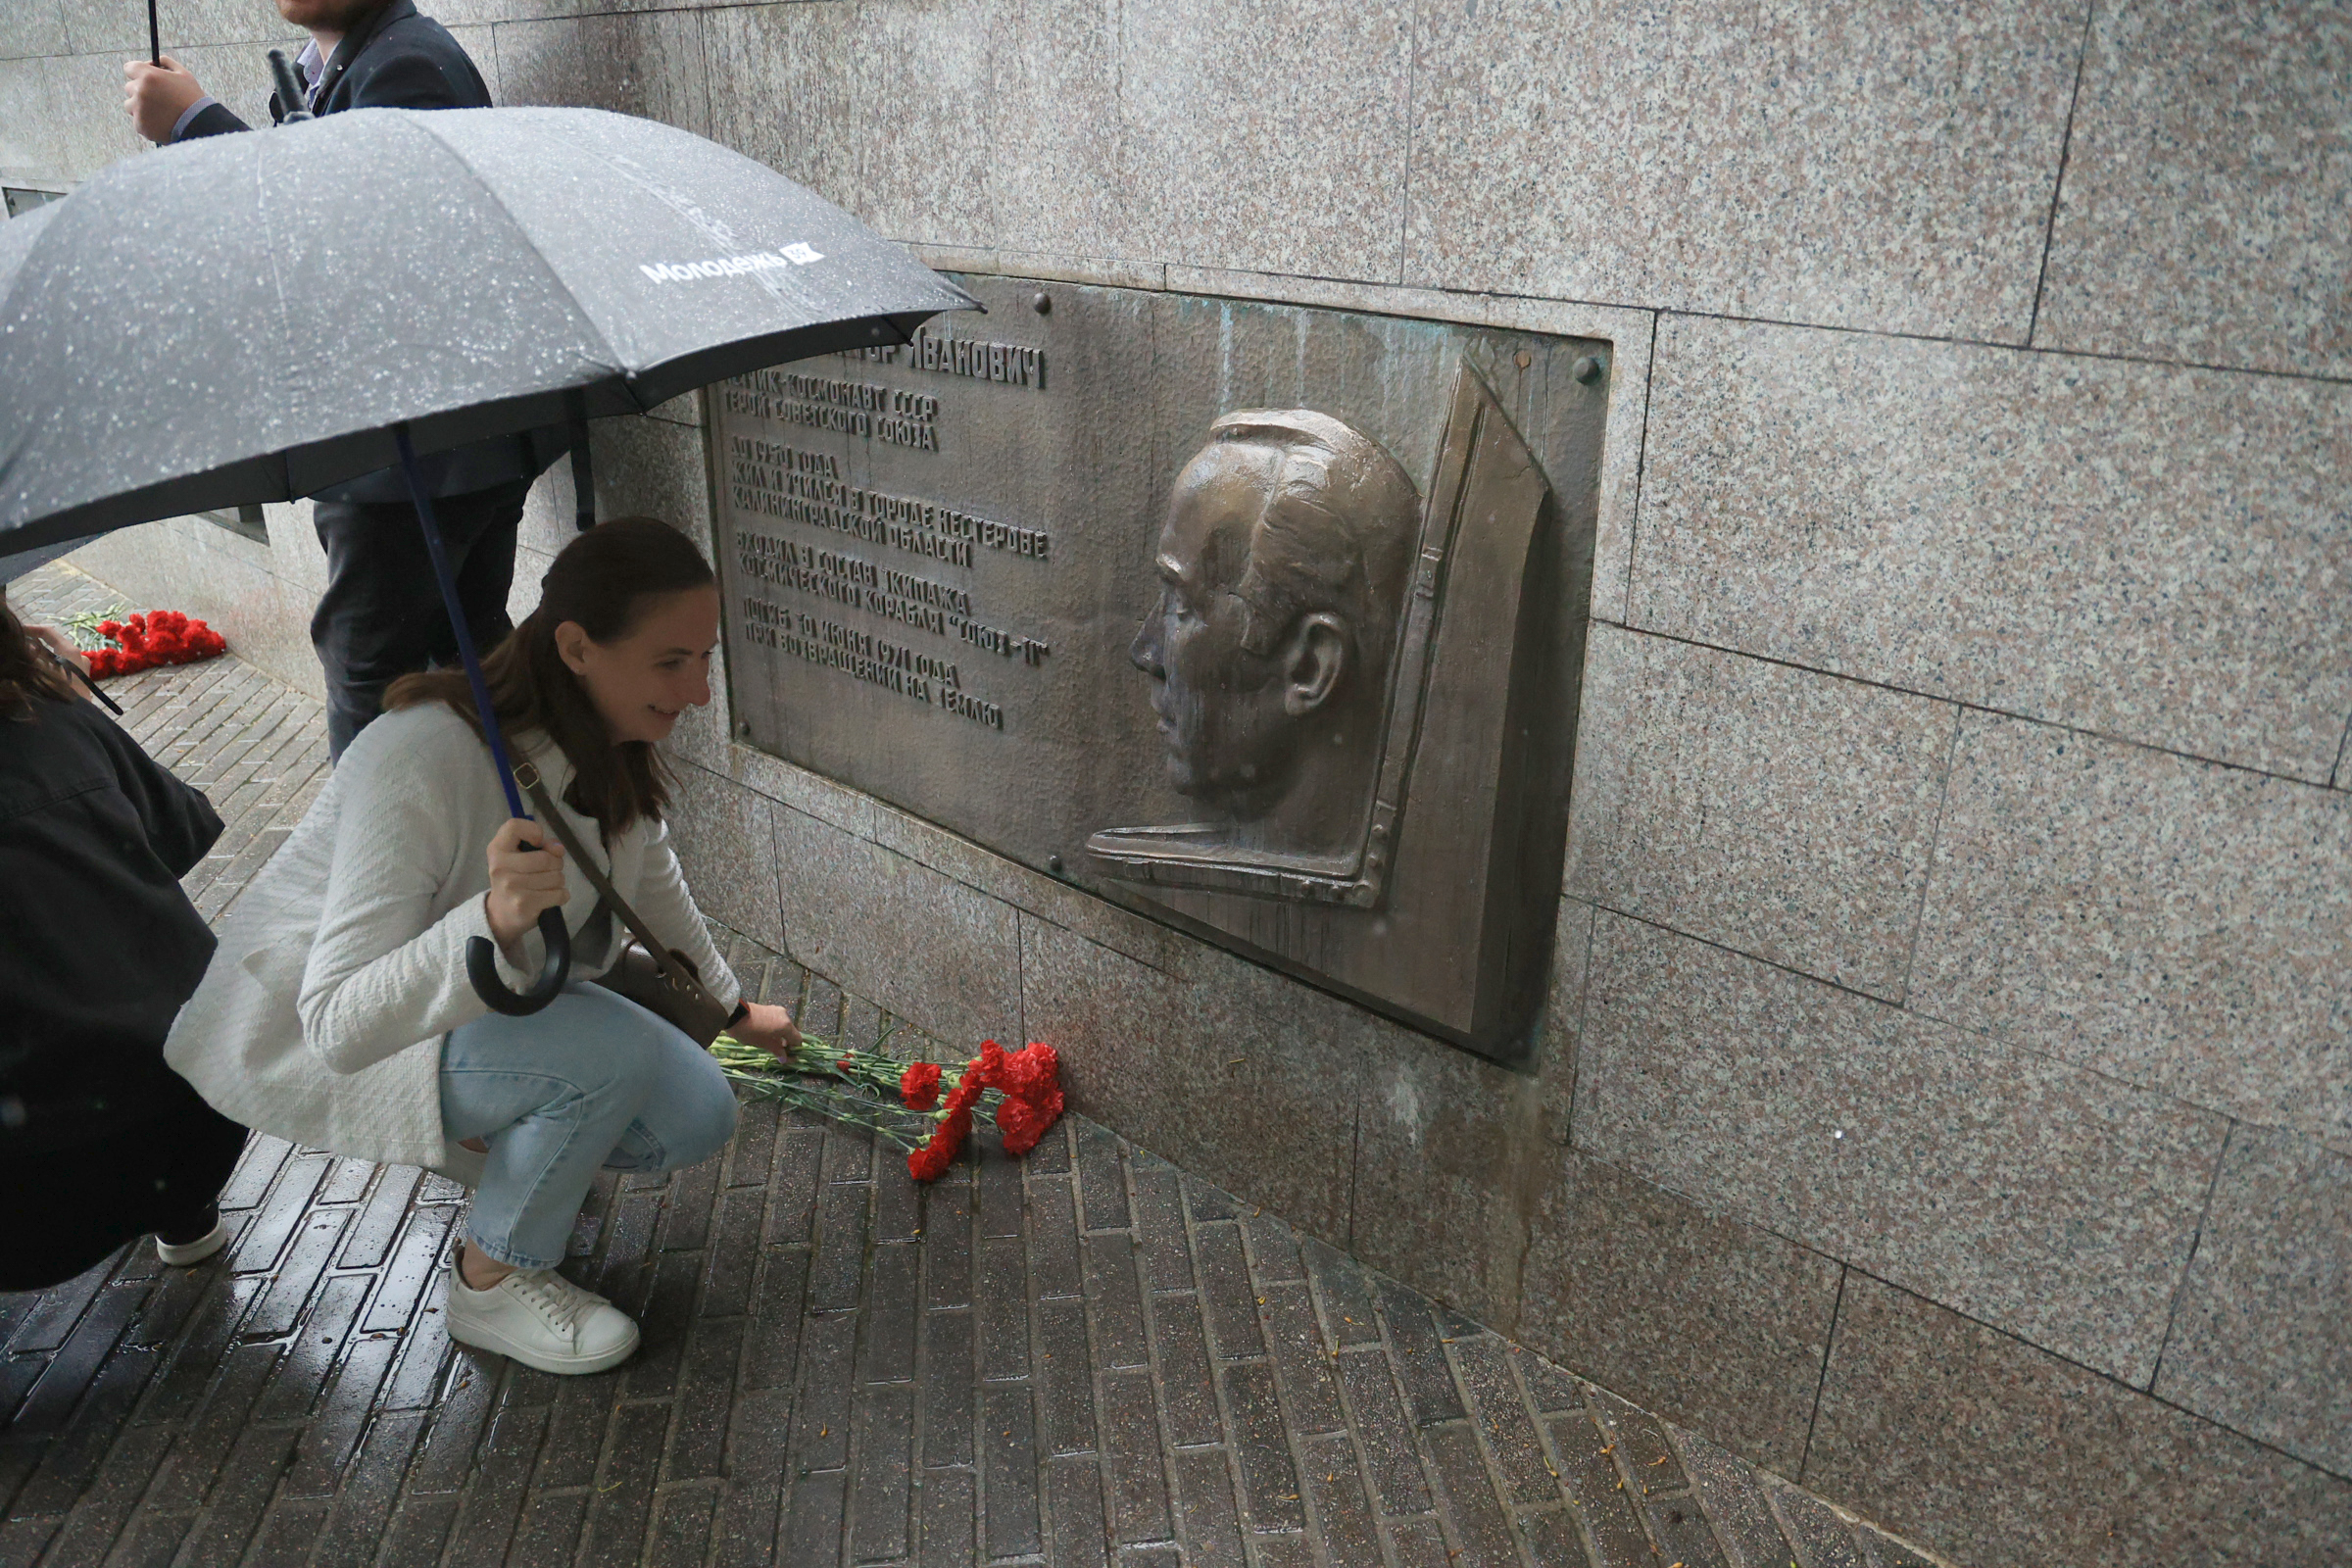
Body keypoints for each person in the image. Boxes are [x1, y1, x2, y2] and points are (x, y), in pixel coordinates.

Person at [165, 519, 800, 1374]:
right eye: (671, 662)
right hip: (334, 1035)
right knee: (606, 1056)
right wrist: (491, 922)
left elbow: (655, 887)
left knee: (698, 1111)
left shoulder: (605, 737)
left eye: (706, 659)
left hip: (480, 1006)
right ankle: (492, 1280)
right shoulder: (421, 753)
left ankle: (506, 1132)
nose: (699, 693)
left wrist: (731, 1010)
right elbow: (338, 1024)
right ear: (577, 648)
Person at [122, 0, 563, 760]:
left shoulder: (406, 66)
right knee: (464, 668)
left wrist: (196, 125)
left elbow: (345, 249)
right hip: (427, 449)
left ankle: (389, 839)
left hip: (414, 458)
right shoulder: (354, 63)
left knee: (374, 685)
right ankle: (517, 819)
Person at [0, 589, 244, 1291]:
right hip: (203, 1119)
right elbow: (178, 835)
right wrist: (69, 701)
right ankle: (184, 1217)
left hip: (30, 1197)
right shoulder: (55, 715)